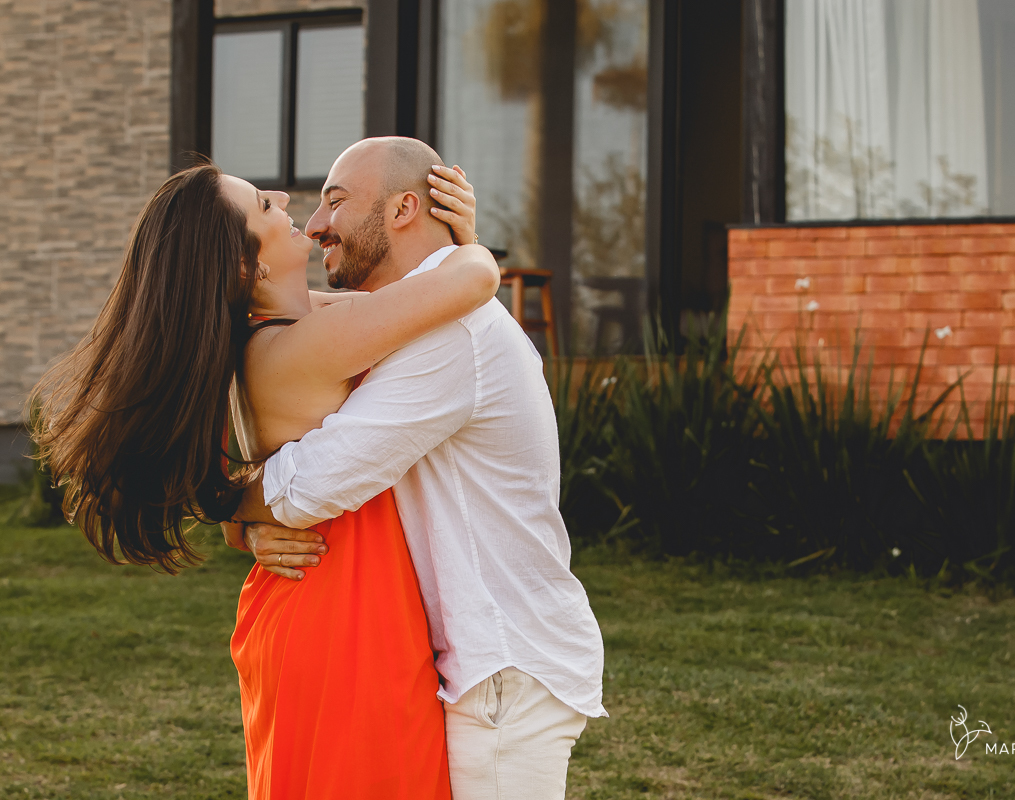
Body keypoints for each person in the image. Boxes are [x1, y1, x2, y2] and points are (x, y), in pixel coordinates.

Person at [31, 155, 496, 799]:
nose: (283, 196)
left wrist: (239, 516)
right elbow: (474, 280)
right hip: (342, 613)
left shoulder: (281, 332)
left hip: (312, 595)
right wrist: (463, 238)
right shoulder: (317, 341)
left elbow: (378, 303)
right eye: (265, 205)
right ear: (249, 267)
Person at [229, 136, 607, 800]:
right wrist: (468, 255)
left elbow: (312, 484)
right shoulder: (410, 317)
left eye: (335, 201)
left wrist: (226, 505)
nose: (315, 224)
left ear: (404, 209)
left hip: (500, 672)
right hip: (471, 661)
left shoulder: (450, 334)